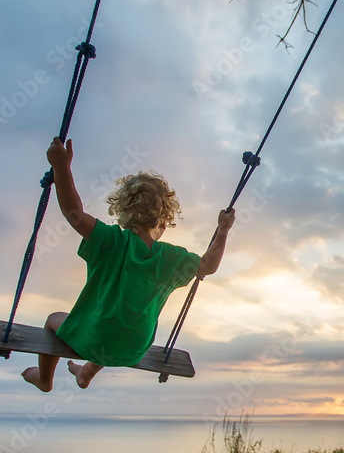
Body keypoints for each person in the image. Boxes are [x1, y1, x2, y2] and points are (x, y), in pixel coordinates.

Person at [21, 137, 235, 392]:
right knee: (119, 326)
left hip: (95, 338)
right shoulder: (171, 258)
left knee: (53, 319)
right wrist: (223, 230)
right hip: (133, 349)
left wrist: (62, 167)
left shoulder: (111, 240)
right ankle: (85, 374)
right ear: (165, 221)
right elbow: (208, 266)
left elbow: (73, 212)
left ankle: (45, 380)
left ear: (122, 212)